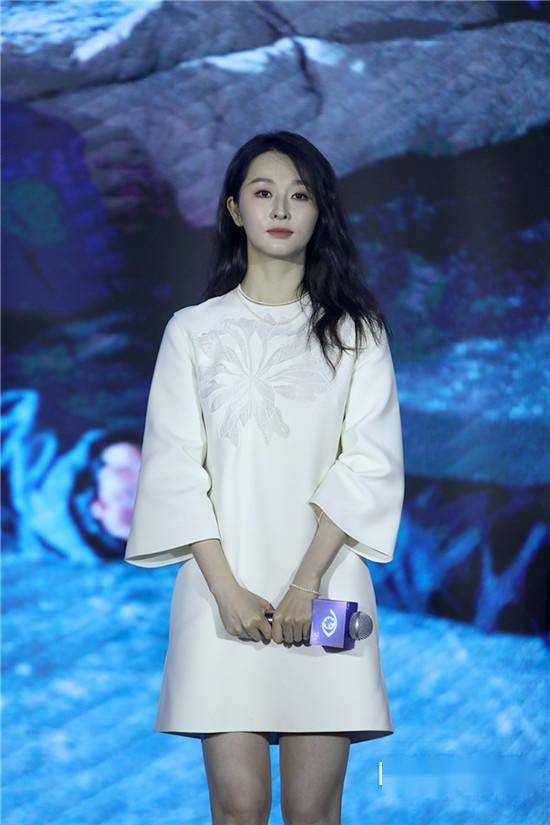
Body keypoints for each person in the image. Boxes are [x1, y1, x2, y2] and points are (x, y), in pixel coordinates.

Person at [124, 131, 405, 825]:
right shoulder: (192, 331)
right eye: (263, 192)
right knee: (239, 808)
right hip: (221, 596)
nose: (281, 209)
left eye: (299, 195)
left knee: (313, 812)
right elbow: (172, 468)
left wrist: (306, 586)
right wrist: (227, 592)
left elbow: (369, 462)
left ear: (319, 211)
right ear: (234, 208)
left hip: (329, 592)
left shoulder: (357, 332)